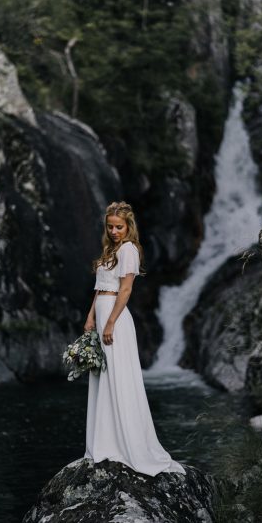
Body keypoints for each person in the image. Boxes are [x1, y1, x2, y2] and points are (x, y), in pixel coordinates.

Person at [83, 201, 186, 477]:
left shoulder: (129, 250)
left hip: (116, 317)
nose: (115, 231)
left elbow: (125, 289)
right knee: (102, 377)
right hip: (103, 311)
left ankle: (125, 445)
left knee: (119, 378)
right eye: (111, 226)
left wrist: (111, 322)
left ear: (129, 227)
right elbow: (99, 288)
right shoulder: (110, 249)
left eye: (120, 227)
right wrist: (91, 317)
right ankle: (104, 442)